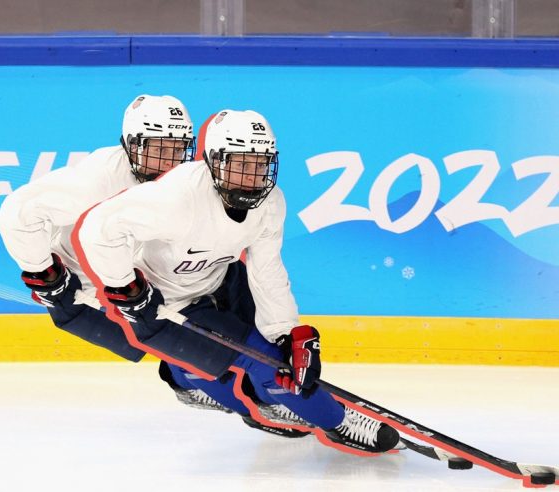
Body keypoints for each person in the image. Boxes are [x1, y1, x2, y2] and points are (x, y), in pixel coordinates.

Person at [76, 109, 401, 454]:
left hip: (219, 278)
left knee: (279, 352)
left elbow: (267, 269)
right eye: (241, 164)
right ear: (214, 161)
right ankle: (337, 422)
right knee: (264, 360)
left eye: (260, 165)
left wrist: (286, 331)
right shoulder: (175, 198)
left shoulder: (270, 202)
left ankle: (257, 397)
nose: (252, 177)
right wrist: (126, 288)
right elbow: (98, 229)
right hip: (167, 304)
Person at [0, 95, 304, 437]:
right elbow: (19, 212)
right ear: (130, 144)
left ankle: (235, 387)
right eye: (158, 148)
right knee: (160, 331)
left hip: (147, 277)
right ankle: (193, 381)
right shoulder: (99, 180)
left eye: (178, 148)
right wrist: (44, 272)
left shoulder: (183, 188)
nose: (169, 160)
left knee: (226, 292)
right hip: (91, 290)